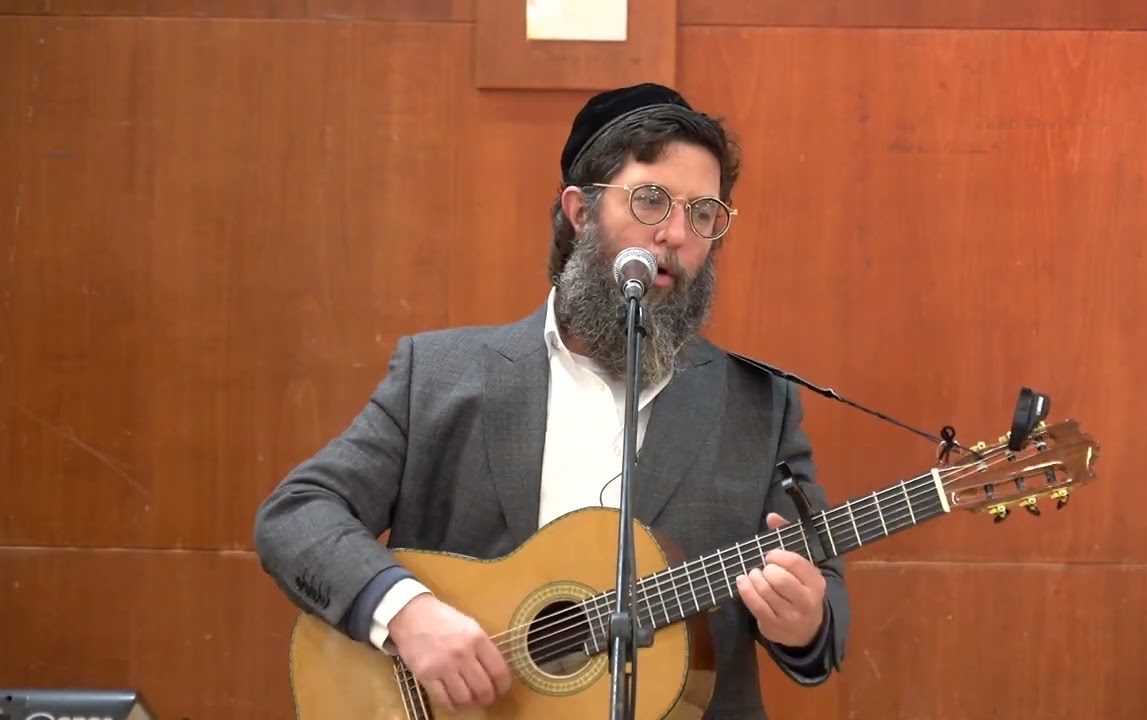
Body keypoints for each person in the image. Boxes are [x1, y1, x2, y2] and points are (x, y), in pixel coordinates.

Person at [253, 82, 851, 719]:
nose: (676, 234)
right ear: (580, 211)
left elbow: (825, 606)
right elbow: (297, 515)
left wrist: (805, 621)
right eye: (651, 200)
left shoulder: (758, 405)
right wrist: (406, 613)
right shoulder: (440, 376)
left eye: (703, 213)